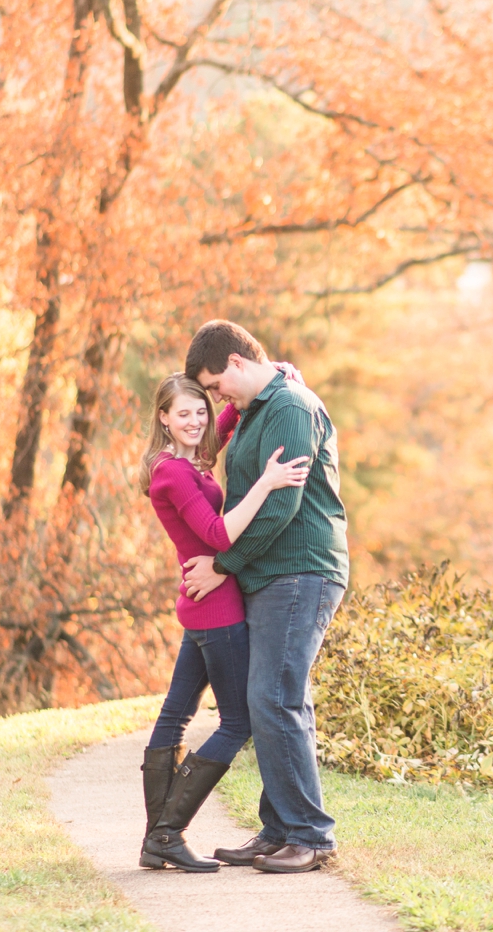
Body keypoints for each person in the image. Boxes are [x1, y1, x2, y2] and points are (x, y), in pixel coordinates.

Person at [181, 320, 348, 874]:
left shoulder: (290, 407)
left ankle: (310, 836)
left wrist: (223, 564)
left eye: (214, 385)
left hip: (301, 571)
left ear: (234, 362)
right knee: (276, 700)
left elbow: (282, 507)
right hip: (271, 575)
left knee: (274, 698)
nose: (215, 397)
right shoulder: (259, 407)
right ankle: (279, 830)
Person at [138, 372, 310, 873]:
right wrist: (268, 482)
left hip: (202, 604)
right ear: (163, 419)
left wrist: (270, 378)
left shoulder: (185, 459)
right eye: (182, 413)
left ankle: (158, 839)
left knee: (175, 716)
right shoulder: (173, 473)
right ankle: (167, 831)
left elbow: (218, 427)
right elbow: (217, 533)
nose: (194, 421)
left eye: (200, 410)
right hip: (217, 610)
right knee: (238, 721)